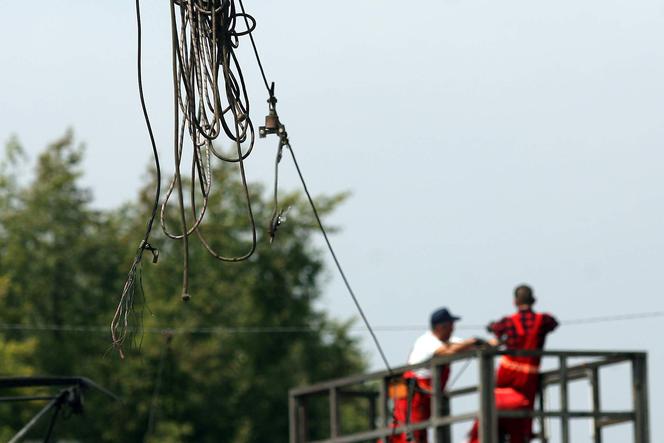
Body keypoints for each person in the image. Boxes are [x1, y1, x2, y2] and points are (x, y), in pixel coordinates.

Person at [468, 284, 558, 443]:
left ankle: (487, 433)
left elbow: (496, 328)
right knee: (524, 414)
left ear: (515, 302)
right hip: (529, 375)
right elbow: (554, 323)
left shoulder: (508, 322)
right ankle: (521, 437)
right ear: (533, 300)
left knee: (495, 402)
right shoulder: (542, 320)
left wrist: (491, 327)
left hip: (508, 372)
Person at [388, 307, 482, 443]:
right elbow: (447, 351)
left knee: (418, 430)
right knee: (409, 430)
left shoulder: (448, 341)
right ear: (440, 327)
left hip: (423, 394)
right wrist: (471, 342)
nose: (453, 329)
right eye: (450, 325)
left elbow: (459, 346)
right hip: (411, 391)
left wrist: (486, 344)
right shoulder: (427, 341)